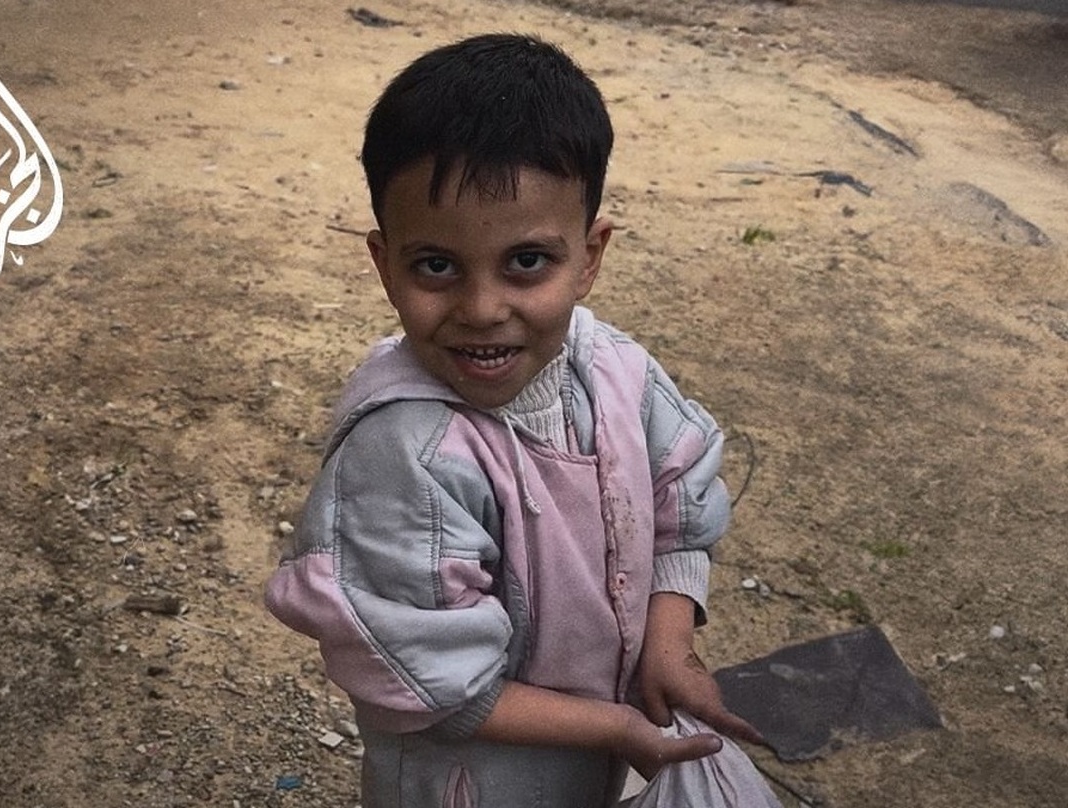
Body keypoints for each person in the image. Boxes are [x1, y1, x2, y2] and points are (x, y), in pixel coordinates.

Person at [265, 33, 763, 808]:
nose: (482, 308)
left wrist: (669, 644)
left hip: (594, 764)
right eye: (436, 266)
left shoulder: (616, 373)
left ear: (589, 256)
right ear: (384, 263)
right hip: (470, 784)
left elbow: (679, 504)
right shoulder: (406, 457)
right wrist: (617, 728)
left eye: (526, 262)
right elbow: (431, 683)